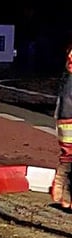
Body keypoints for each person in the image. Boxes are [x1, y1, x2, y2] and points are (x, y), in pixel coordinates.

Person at [51, 44, 72, 207]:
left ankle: (60, 191)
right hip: (68, 116)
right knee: (68, 157)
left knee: (68, 157)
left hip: (66, 115)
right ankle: (62, 192)